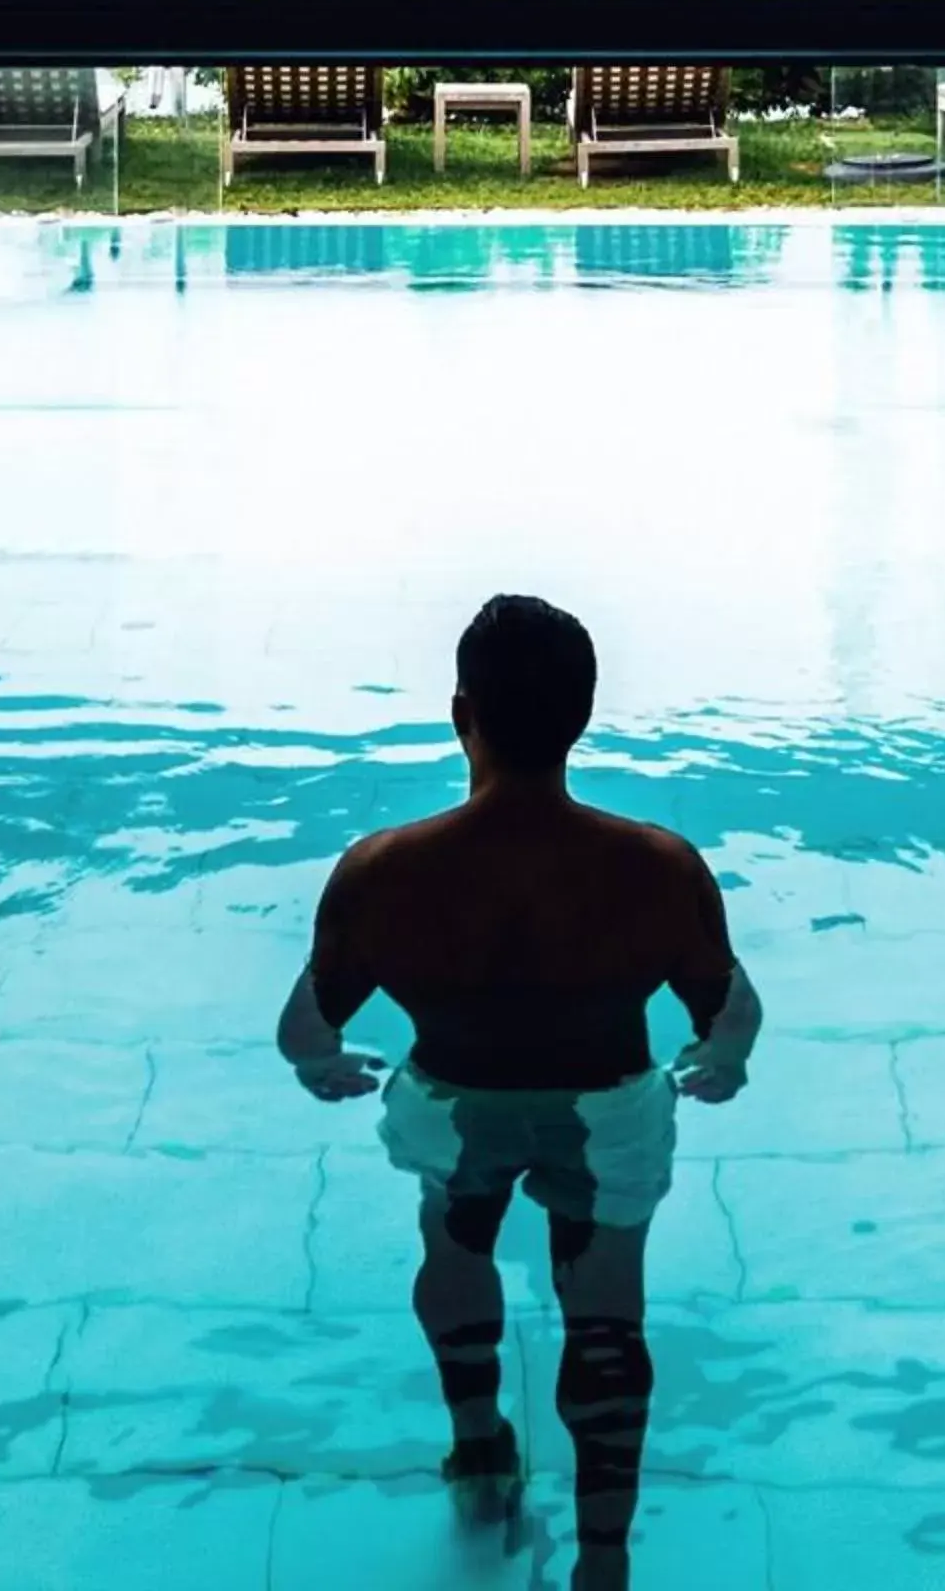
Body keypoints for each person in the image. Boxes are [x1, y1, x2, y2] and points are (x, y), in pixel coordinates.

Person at [276, 594, 763, 1591]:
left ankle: (478, 1441)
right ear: (583, 716)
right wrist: (727, 1059)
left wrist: (322, 1066)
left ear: (464, 713)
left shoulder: (382, 870)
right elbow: (731, 1008)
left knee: (452, 1243)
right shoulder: (658, 867)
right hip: (608, 1108)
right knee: (607, 1315)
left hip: (458, 1101)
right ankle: (603, 1558)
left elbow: (306, 1026)